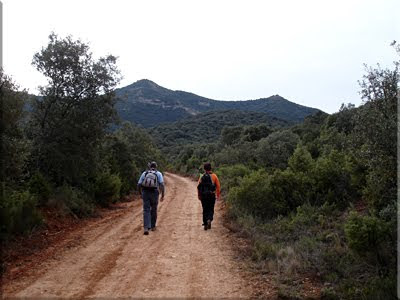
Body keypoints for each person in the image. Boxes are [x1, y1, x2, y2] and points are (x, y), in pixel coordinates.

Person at [138, 161, 165, 235]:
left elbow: (139, 184)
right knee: (154, 209)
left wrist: (140, 193)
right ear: (156, 167)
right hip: (154, 193)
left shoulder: (145, 173)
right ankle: (153, 226)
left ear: (150, 167)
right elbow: (162, 184)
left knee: (146, 210)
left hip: (145, 192)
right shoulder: (158, 173)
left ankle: (146, 228)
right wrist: (162, 195)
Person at [197, 162, 221, 230]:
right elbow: (218, 187)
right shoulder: (214, 176)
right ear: (211, 168)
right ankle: (209, 219)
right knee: (211, 208)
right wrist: (218, 195)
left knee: (205, 209)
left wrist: (199, 195)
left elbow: (198, 186)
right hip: (211, 195)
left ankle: (205, 224)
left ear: (204, 169)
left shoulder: (202, 176)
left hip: (204, 196)